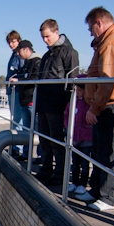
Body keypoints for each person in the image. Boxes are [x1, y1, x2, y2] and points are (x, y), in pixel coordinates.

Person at [79, 7, 114, 211]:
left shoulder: (112, 43)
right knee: (100, 150)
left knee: (108, 151)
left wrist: (94, 107)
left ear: (99, 23)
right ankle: (97, 190)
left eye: (91, 28)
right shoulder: (106, 42)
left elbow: (108, 80)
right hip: (105, 104)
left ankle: (110, 196)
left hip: (111, 105)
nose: (91, 33)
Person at [36, 19, 79, 184]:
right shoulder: (47, 55)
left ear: (56, 32)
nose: (45, 40)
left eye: (47, 36)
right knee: (44, 140)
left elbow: (73, 79)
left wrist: (69, 104)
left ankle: (60, 174)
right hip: (44, 103)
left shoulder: (69, 53)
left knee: (56, 141)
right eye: (43, 37)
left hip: (57, 104)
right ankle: (46, 170)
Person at [11, 40, 42, 161]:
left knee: (37, 129)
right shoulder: (26, 63)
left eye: (19, 51)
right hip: (25, 100)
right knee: (26, 129)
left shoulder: (37, 61)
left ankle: (40, 155)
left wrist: (20, 81)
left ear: (26, 49)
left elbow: (35, 78)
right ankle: (26, 153)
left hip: (32, 100)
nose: (18, 54)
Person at [63, 75, 93, 195]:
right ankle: (75, 182)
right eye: (76, 90)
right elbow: (66, 116)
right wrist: (67, 126)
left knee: (85, 164)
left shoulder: (90, 104)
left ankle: (83, 184)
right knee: (75, 163)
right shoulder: (72, 103)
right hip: (74, 137)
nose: (78, 93)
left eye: (80, 90)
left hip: (86, 138)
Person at [4, 31, 25, 157]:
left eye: (13, 41)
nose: (11, 44)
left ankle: (18, 148)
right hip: (12, 90)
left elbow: (22, 71)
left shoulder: (19, 54)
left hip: (17, 90)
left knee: (18, 120)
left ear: (18, 40)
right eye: (9, 42)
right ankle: (15, 147)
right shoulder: (14, 55)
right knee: (16, 119)